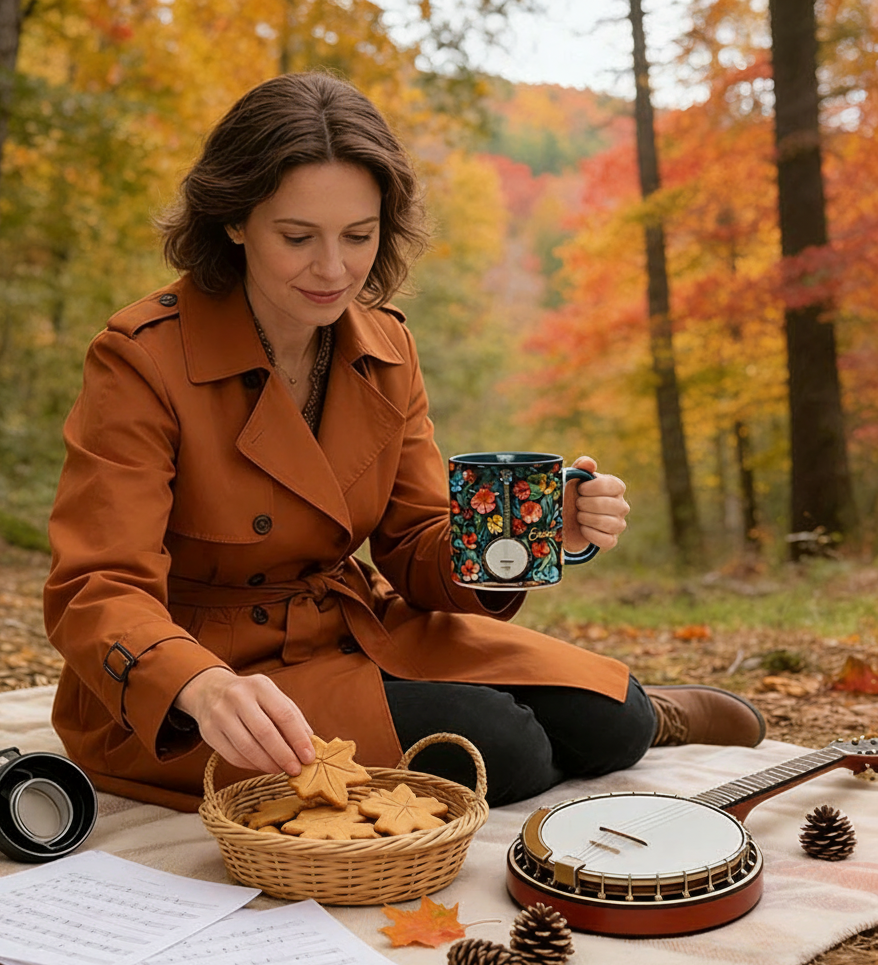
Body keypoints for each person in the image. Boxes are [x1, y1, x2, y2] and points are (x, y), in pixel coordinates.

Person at [43, 71, 765, 813]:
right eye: (297, 237)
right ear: (234, 222)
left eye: (358, 236)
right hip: (205, 679)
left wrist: (525, 529)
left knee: (615, 720)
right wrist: (201, 685)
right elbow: (97, 587)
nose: (333, 270)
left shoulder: (384, 347)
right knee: (498, 746)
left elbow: (416, 542)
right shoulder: (141, 357)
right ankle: (536, 732)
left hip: (354, 630)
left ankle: (649, 715)